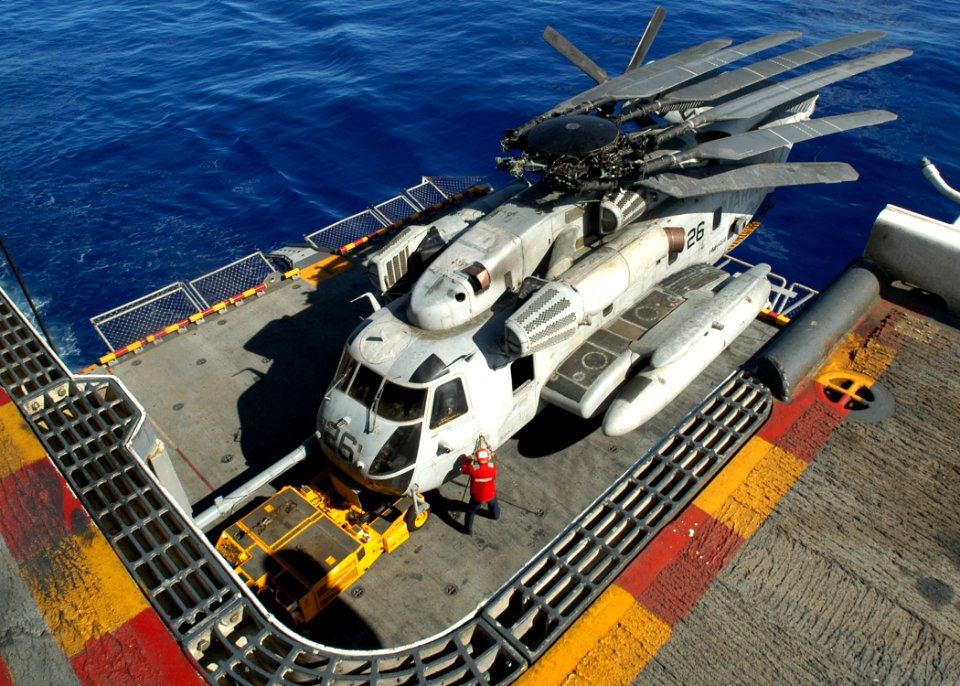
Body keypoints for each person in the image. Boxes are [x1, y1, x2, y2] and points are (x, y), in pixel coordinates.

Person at [460, 447, 500, 535]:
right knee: (494, 506)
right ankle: (495, 516)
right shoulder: (493, 467)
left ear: (477, 459)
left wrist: (468, 459)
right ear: (488, 458)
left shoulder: (473, 469)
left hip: (477, 497)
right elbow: (491, 462)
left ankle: (468, 530)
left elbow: (463, 469)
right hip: (491, 494)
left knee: (471, 511)